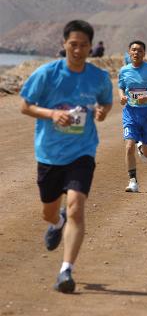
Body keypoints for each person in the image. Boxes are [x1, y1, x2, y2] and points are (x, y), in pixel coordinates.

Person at [20, 20, 113, 293]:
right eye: (73, 44)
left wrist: (103, 112)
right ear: (64, 44)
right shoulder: (47, 74)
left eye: (84, 45)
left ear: (90, 47)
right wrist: (51, 114)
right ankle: (56, 222)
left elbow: (106, 101)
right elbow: (25, 105)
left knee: (76, 206)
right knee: (49, 211)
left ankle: (66, 270)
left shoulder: (98, 77)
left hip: (82, 151)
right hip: (49, 153)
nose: (78, 50)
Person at [118, 40, 147, 193]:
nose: (136, 53)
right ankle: (133, 181)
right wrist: (122, 97)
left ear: (144, 53)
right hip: (130, 112)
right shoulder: (124, 70)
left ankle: (142, 147)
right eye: (133, 50)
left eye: (139, 50)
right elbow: (121, 87)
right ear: (129, 52)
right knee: (128, 145)